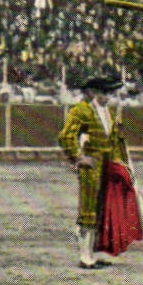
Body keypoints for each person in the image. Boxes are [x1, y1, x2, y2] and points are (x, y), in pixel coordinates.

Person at [58, 73, 131, 268]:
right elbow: (66, 136)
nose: (108, 97)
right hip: (91, 167)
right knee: (88, 209)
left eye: (109, 93)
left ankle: (90, 253)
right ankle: (85, 257)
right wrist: (78, 157)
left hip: (106, 166)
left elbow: (111, 139)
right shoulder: (80, 110)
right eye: (104, 93)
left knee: (99, 210)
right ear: (92, 92)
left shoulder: (105, 111)